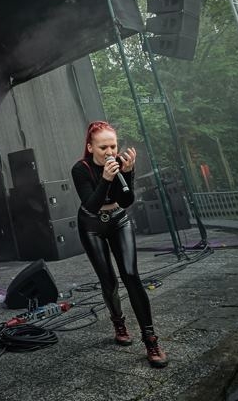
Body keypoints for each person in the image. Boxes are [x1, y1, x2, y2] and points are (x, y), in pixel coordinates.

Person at [70, 121, 167, 368]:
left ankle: (150, 339)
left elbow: (126, 201)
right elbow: (91, 204)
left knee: (131, 275)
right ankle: (118, 322)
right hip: (91, 224)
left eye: (113, 146)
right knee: (108, 281)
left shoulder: (120, 164)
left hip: (118, 220)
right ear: (90, 147)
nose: (109, 152)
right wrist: (106, 178)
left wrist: (129, 172)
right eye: (103, 147)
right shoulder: (80, 169)